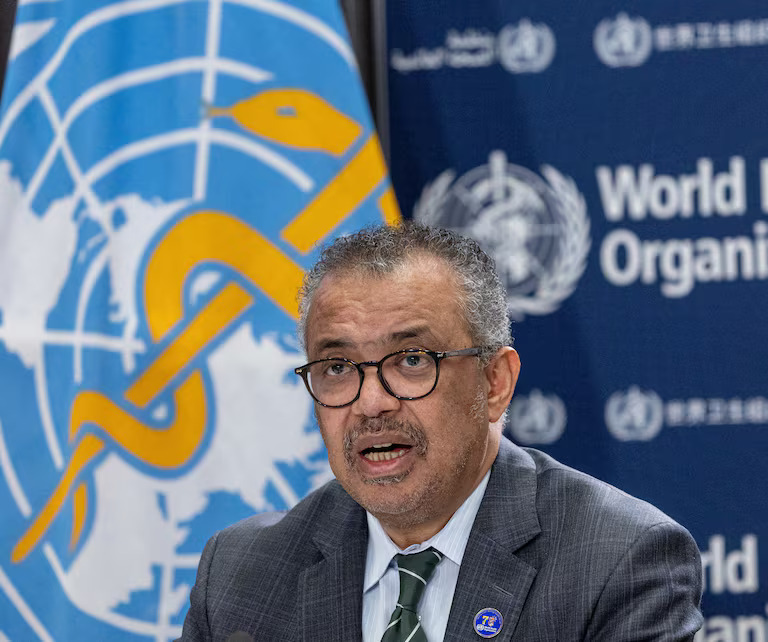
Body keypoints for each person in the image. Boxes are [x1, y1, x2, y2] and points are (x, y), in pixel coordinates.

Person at [178, 223, 703, 641]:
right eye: (337, 367)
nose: (371, 402)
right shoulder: (241, 577)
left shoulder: (616, 563)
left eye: (411, 359)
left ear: (495, 383)